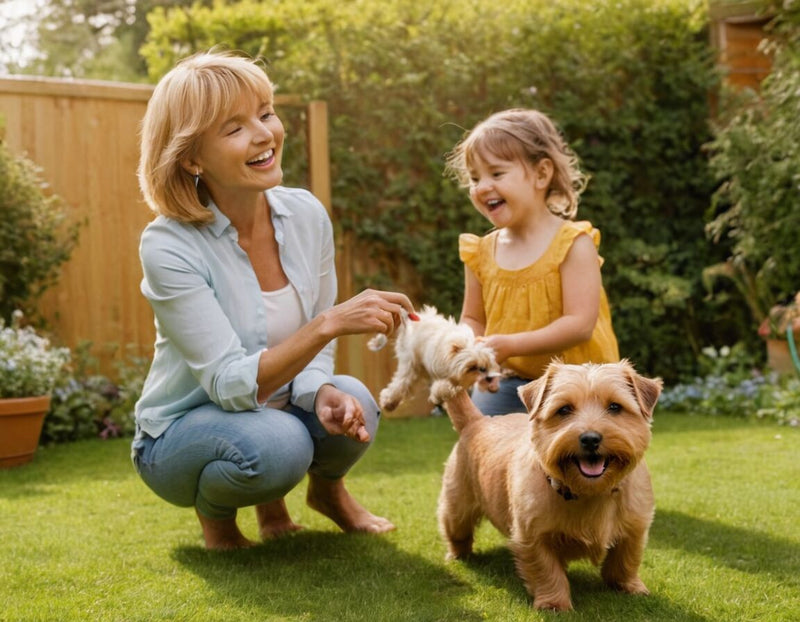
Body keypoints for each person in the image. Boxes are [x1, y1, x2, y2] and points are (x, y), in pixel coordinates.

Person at [131, 50, 417, 550]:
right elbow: (225, 384)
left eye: (265, 113)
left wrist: (318, 393)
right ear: (192, 157)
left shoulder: (305, 215)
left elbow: (314, 354)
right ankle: (216, 518)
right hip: (179, 437)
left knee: (356, 403)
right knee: (280, 444)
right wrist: (327, 323)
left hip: (270, 411)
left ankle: (328, 495)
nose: (265, 134)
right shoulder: (168, 245)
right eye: (234, 128)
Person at [444, 108, 619, 416]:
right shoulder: (480, 252)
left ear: (541, 173)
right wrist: (466, 346)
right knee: (485, 450)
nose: (482, 186)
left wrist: (510, 345)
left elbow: (579, 324)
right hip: (507, 383)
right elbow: (473, 319)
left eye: (496, 174)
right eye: (474, 178)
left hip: (580, 387)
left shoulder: (574, 243)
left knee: (589, 461)